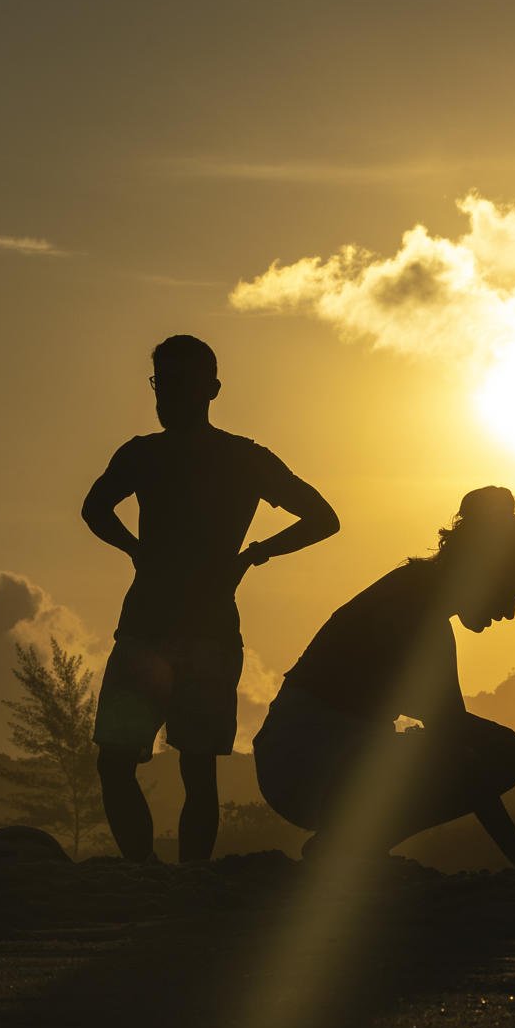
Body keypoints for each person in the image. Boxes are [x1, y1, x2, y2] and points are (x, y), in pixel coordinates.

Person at [82, 335, 339, 862]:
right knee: (166, 764)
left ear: (211, 389)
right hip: (180, 630)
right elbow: (94, 510)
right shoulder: (202, 457)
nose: (167, 395)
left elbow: (324, 518)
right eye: (161, 383)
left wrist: (253, 554)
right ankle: (159, 877)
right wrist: (247, 555)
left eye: (178, 384)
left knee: (161, 764)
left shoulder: (182, 456)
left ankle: (163, 879)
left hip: (172, 630)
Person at [255, 487, 515, 869]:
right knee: (501, 756)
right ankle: (346, 846)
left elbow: (447, 731)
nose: (508, 613)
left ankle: (347, 844)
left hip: (316, 757)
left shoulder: (417, 594)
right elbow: (454, 740)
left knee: (488, 748)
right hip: (307, 763)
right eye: (510, 595)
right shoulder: (416, 614)